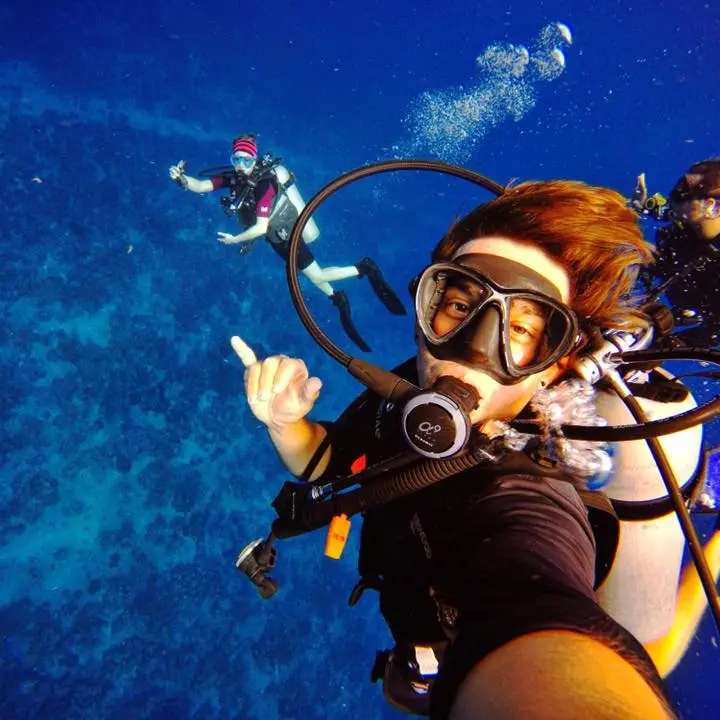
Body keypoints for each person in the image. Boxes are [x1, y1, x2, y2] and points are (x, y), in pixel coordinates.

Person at [230, 180, 690, 719]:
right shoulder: (405, 393)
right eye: (456, 305)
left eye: (519, 328)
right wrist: (288, 425)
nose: (472, 349)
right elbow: (332, 463)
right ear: (426, 313)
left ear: (554, 366)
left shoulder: (525, 487)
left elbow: (535, 590)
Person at [169, 134, 406, 351]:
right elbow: (202, 185)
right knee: (311, 274)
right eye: (236, 160)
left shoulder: (266, 184)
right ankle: (337, 298)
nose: (241, 166)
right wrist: (181, 180)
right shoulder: (235, 178)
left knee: (318, 275)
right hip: (276, 238)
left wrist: (235, 240)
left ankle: (364, 268)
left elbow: (261, 226)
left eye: (247, 160)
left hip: (287, 233)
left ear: (255, 159)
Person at [631, 159, 720, 347]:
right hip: (680, 276)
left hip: (702, 301)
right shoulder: (687, 218)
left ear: (712, 207)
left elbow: (716, 330)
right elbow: (667, 210)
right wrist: (644, 205)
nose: (673, 198)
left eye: (684, 192)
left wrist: (677, 344)